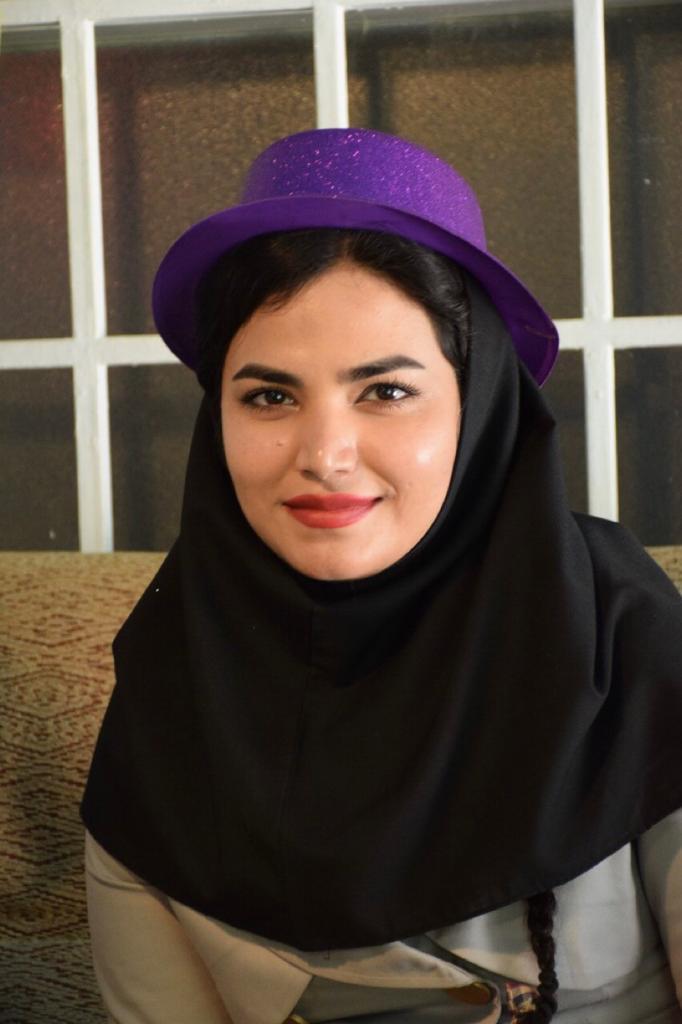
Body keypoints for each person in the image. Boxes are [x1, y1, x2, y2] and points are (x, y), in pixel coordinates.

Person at [81, 128, 682, 1024]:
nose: (324, 454)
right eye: (270, 396)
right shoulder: (171, 680)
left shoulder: (619, 630)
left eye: (387, 391)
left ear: (480, 402)